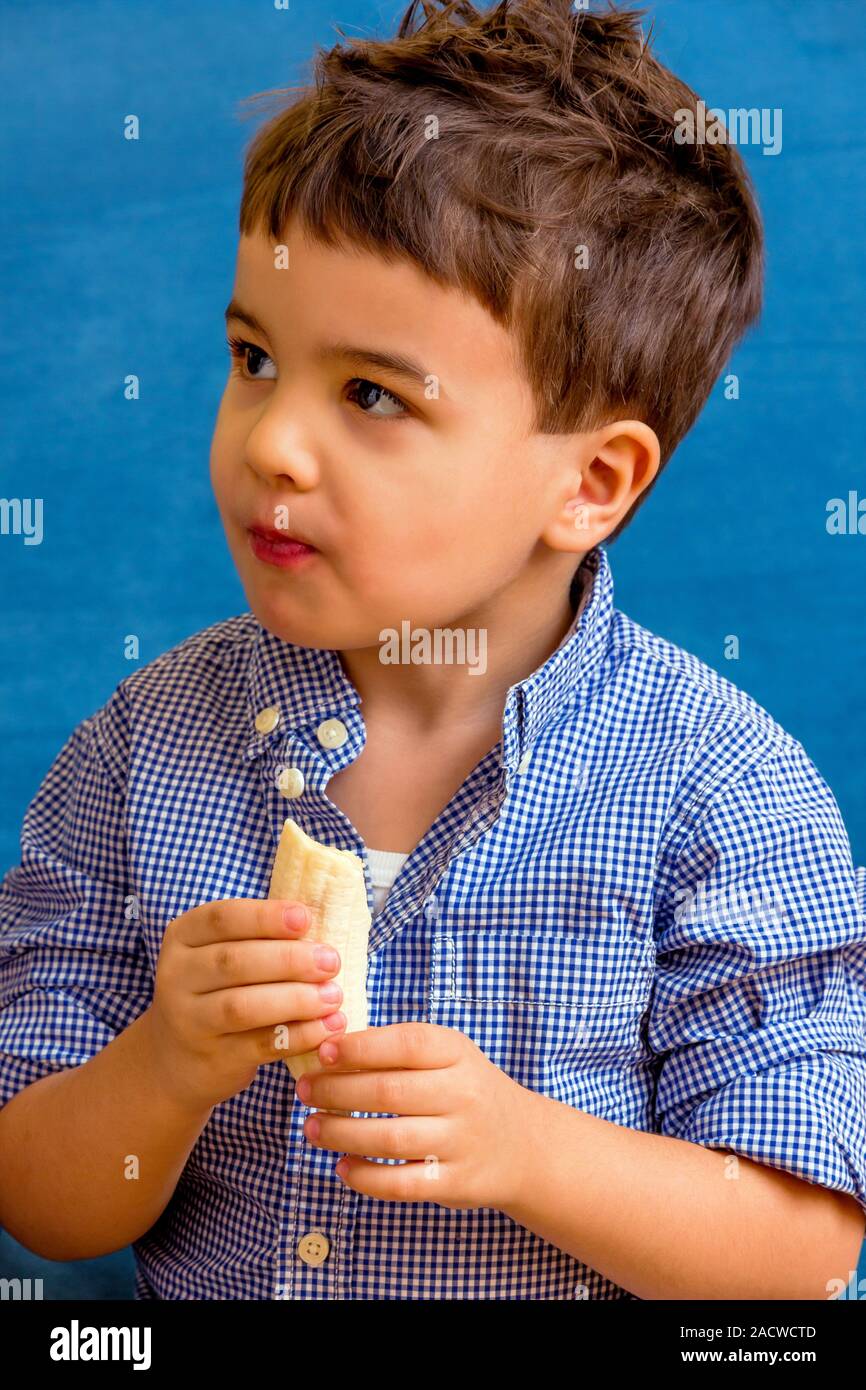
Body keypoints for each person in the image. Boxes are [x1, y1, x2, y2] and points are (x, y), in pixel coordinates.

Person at [1, 0, 864, 1300]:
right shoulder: (140, 752)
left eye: (369, 395)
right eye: (252, 358)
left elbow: (801, 1252)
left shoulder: (722, 794)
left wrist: (530, 1152)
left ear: (589, 483)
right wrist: (161, 1069)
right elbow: (40, 1207)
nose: (271, 443)